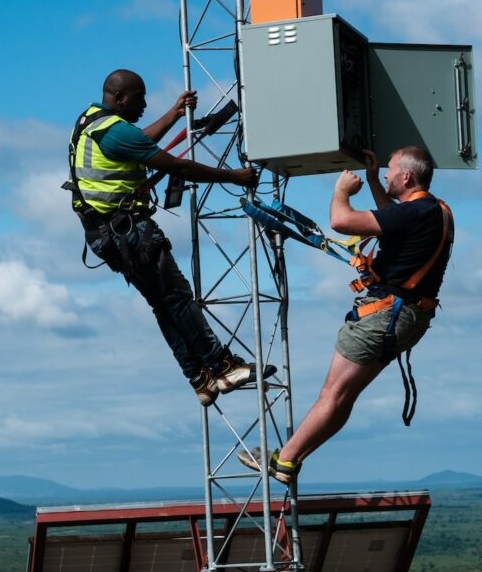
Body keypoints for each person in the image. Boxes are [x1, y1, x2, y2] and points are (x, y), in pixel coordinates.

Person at [239, 146, 454, 483]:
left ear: (407, 177)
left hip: (384, 315)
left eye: (389, 170)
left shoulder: (416, 212)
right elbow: (391, 220)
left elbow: (341, 221)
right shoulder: (435, 210)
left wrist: (341, 191)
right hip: (407, 317)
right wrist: (371, 180)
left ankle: (286, 459)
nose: (386, 173)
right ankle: (291, 460)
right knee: (344, 395)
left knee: (334, 394)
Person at [68, 69, 272, 406]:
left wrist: (174, 114)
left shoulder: (92, 121)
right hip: (129, 233)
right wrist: (234, 177)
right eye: (140, 97)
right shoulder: (114, 131)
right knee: (177, 298)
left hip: (106, 236)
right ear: (120, 98)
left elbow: (141, 142)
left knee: (163, 304)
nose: (145, 104)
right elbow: (181, 168)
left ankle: (199, 378)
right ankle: (223, 366)